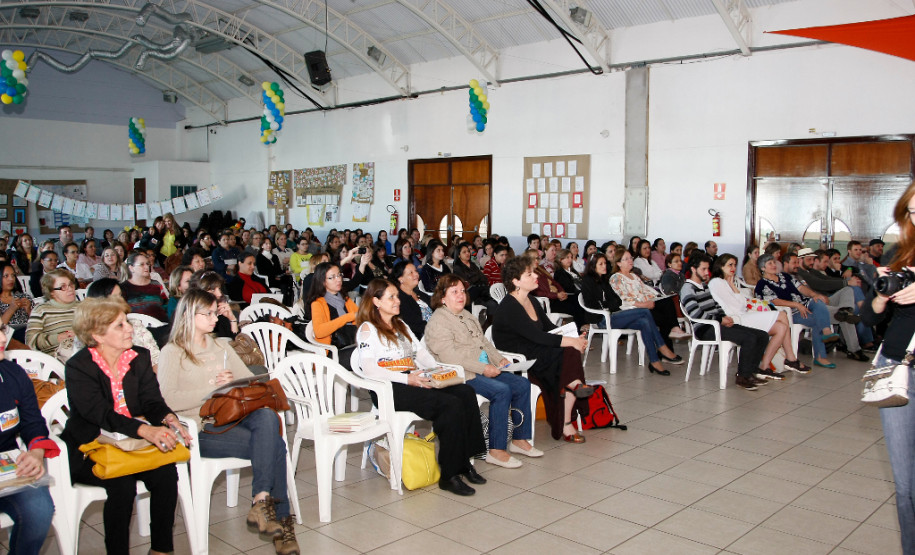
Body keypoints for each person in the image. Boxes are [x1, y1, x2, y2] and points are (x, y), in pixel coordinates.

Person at [158, 289, 299, 554]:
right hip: (199, 428)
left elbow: (249, 382)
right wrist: (211, 388)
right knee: (276, 446)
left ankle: (261, 501)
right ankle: (280, 522)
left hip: (231, 416)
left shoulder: (221, 347)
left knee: (267, 416)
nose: (216, 318)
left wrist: (232, 383)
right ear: (189, 315)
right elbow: (168, 399)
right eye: (209, 313)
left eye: (216, 312)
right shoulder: (173, 351)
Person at [61, 296, 190, 555]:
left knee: (166, 474)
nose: (130, 328)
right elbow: (99, 414)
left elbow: (152, 402)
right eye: (119, 325)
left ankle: (161, 550)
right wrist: (144, 430)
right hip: (91, 446)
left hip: (131, 443)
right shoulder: (79, 366)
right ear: (97, 334)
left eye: (127, 322)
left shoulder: (138, 357)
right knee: (122, 485)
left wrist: (169, 418)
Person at [356, 278, 487, 496]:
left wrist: (437, 370)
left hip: (414, 378)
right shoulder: (368, 329)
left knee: (465, 392)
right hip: (390, 388)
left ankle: (464, 462)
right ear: (376, 302)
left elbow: (421, 353)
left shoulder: (400, 324)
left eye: (397, 296)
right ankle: (449, 475)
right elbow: (369, 369)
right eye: (391, 297)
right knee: (449, 404)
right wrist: (407, 379)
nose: (397, 301)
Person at [424, 274, 540, 468]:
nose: (461, 295)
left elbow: (484, 342)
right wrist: (483, 368)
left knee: (522, 384)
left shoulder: (467, 315)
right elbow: (450, 357)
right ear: (442, 297)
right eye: (454, 292)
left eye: (462, 291)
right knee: (501, 391)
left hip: (483, 367)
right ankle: (496, 450)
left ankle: (519, 439)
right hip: (461, 374)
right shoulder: (438, 322)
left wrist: (498, 359)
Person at [860, 183, 915, 554]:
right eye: (913, 212)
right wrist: (881, 297)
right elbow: (869, 316)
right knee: (906, 485)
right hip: (898, 366)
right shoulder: (901, 252)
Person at [491, 256, 592, 442]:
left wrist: (574, 338)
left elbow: (550, 329)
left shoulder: (531, 300)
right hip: (521, 360)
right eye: (529, 274)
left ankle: (573, 392)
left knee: (569, 354)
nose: (536, 276)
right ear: (516, 281)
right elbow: (538, 336)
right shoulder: (509, 306)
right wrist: (571, 342)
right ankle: (569, 410)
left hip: (538, 350)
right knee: (569, 355)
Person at [0, 323, 58, 555]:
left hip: (8, 469)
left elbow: (33, 423)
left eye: (1, 329)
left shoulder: (13, 374)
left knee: (39, 509)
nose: (2, 338)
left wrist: (36, 452)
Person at [680, 254, 775, 390]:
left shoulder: (704, 286)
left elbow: (716, 306)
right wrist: (720, 320)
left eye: (708, 269)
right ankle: (742, 377)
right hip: (705, 328)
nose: (707, 272)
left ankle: (751, 371)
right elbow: (696, 314)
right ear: (693, 269)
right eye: (703, 269)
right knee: (749, 338)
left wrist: (724, 317)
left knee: (762, 335)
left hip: (716, 324)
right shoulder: (688, 288)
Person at [707, 254, 810, 375]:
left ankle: (764, 366)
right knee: (782, 315)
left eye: (735, 265)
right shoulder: (717, 282)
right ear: (721, 266)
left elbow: (742, 304)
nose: (733, 268)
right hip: (736, 319)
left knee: (781, 327)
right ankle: (791, 359)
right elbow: (738, 308)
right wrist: (734, 290)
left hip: (743, 316)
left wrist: (733, 287)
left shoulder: (728, 282)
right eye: (730, 265)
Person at [580, 254, 678, 375]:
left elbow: (617, 301)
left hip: (612, 315)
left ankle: (654, 361)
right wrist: (607, 304)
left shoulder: (604, 280)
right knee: (645, 311)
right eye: (601, 264)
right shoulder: (587, 281)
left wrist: (607, 304)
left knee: (644, 322)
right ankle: (662, 347)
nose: (604, 266)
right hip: (601, 319)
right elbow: (592, 304)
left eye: (605, 263)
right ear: (593, 266)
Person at [755, 253, 838, 368]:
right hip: (790, 313)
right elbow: (774, 301)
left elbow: (801, 288)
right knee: (818, 320)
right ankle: (820, 357)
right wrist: (796, 305)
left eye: (774, 262)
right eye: (770, 263)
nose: (774, 265)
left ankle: (826, 331)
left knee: (818, 301)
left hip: (805, 303)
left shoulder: (785, 276)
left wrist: (814, 294)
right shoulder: (762, 284)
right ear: (763, 268)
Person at [610, 250, 691, 351]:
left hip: (647, 303)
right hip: (635, 308)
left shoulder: (634, 276)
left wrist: (657, 297)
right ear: (619, 263)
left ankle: (675, 329)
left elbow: (645, 290)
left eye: (631, 258)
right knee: (664, 319)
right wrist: (644, 304)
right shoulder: (616, 278)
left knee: (667, 302)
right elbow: (624, 298)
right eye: (626, 259)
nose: (630, 260)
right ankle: (667, 350)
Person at [305, 262, 359, 365]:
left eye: (339, 275)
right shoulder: (317, 303)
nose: (338, 279)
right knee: (364, 355)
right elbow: (319, 331)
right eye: (332, 277)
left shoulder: (344, 298)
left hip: (350, 344)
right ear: (322, 281)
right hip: (330, 352)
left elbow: (360, 316)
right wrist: (347, 317)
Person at [26, 269, 79, 356]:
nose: (70, 289)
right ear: (52, 292)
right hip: (56, 358)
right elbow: (30, 342)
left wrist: (81, 335)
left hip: (84, 351)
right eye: (63, 287)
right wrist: (57, 338)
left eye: (71, 285)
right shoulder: (41, 310)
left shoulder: (84, 307)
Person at [188, 270, 239, 338]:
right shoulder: (192, 316)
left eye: (219, 289)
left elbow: (234, 342)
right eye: (212, 290)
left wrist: (232, 320)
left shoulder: (222, 315)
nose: (219, 294)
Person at [121, 252, 168, 322]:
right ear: (131, 268)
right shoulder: (123, 288)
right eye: (142, 264)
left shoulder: (156, 284)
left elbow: (165, 303)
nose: (146, 267)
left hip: (160, 323)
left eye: (147, 264)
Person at [391, 261, 432, 339]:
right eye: (411, 273)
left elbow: (435, 305)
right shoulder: (399, 300)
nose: (416, 274)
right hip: (423, 337)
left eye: (416, 271)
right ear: (401, 279)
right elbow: (415, 326)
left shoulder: (417, 293)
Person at [0, 262, 32, 343]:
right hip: (8, 336)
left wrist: (28, 310)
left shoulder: (23, 297)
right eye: (6, 276)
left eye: (13, 275)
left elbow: (37, 321)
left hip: (29, 331)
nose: (11, 279)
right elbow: (1, 326)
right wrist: (11, 309)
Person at [256, 237, 293, 305]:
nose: (269, 245)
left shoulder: (274, 256)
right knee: (283, 283)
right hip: (269, 279)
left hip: (278, 277)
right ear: (262, 246)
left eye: (269, 244)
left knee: (288, 279)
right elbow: (262, 272)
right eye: (266, 244)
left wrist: (284, 272)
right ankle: (284, 302)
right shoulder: (259, 257)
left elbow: (278, 270)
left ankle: (288, 302)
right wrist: (274, 276)